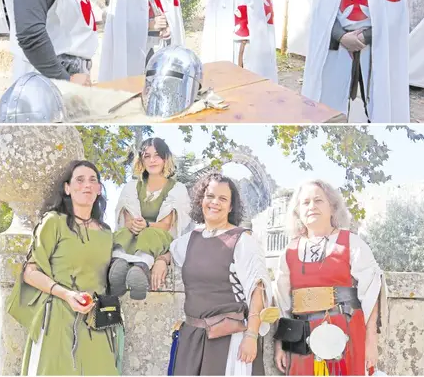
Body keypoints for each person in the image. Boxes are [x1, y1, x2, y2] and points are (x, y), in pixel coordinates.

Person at [150, 173, 272, 375]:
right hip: (193, 337)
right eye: (210, 196)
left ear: (231, 207)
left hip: (230, 338)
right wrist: (162, 261)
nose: (215, 203)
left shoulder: (243, 241)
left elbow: (257, 290)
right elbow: (171, 252)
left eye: (223, 199)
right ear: (201, 199)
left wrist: (251, 336)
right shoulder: (191, 238)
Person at [5, 160, 118, 375]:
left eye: (93, 180)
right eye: (80, 179)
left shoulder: (106, 232)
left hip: (96, 322)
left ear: (99, 189)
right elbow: (30, 272)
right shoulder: (53, 221)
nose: (87, 185)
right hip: (57, 317)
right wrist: (66, 294)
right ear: (67, 188)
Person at [273, 179, 387, 376]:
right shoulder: (289, 251)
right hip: (303, 337)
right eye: (305, 202)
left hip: (345, 334)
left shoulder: (352, 243)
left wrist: (371, 342)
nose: (312, 206)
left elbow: (371, 292)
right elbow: (283, 303)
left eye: (318, 200)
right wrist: (280, 345)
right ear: (298, 212)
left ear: (332, 208)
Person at [109, 137, 191, 300]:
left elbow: (167, 225)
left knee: (149, 234)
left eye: (157, 155)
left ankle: (140, 267)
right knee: (123, 234)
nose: (152, 160)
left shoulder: (177, 189)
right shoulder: (131, 187)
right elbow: (127, 220)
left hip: (159, 237)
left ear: (165, 159)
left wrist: (146, 224)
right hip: (133, 233)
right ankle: (118, 267)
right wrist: (134, 225)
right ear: (141, 160)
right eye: (147, 156)